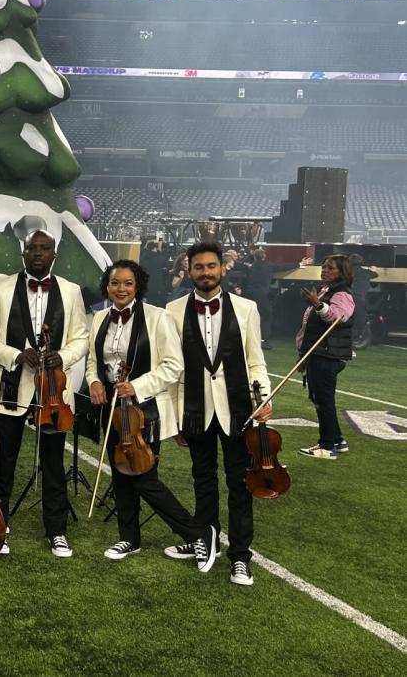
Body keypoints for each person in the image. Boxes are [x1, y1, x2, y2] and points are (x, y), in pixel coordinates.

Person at [86, 260, 218, 572]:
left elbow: (174, 365)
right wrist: (93, 381)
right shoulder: (100, 318)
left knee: (145, 479)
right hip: (112, 409)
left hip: (146, 412)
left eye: (128, 283)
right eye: (115, 283)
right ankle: (129, 537)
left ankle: (199, 533)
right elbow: (94, 360)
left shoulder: (158, 318)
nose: (121, 289)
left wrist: (137, 386)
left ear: (138, 286)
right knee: (120, 473)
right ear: (108, 286)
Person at [0, 229, 90, 558]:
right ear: (23, 254)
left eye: (45, 248)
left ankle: (57, 531)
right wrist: (14, 355)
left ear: (54, 255)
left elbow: (81, 338)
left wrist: (63, 357)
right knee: (2, 461)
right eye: (32, 248)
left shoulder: (70, 291)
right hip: (8, 388)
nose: (38, 253)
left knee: (53, 462)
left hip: (53, 393)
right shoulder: (0, 287)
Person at [165, 241, 271, 587]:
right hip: (195, 409)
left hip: (238, 409)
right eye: (199, 267)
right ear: (190, 270)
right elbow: (173, 369)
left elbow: (255, 360)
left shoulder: (246, 308)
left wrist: (263, 397)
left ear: (222, 268)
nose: (206, 272)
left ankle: (240, 557)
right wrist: (177, 415)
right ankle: (204, 540)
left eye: (212, 266)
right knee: (203, 480)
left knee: (240, 485)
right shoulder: (173, 310)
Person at [297, 254, 355, 459]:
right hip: (319, 353)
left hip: (327, 355)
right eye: (323, 267)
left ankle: (327, 446)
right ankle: (337, 440)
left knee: (324, 400)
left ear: (342, 272)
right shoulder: (328, 291)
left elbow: (338, 317)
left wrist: (317, 304)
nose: (324, 270)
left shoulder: (342, 294)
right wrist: (303, 355)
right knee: (319, 398)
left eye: (330, 268)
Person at [242, 247, 274, 350]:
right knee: (265, 315)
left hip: (249, 294)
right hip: (262, 295)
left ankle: (247, 339)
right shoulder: (269, 266)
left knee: (250, 317)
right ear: (264, 256)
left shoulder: (250, 267)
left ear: (254, 257)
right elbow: (283, 267)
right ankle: (262, 341)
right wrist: (300, 264)